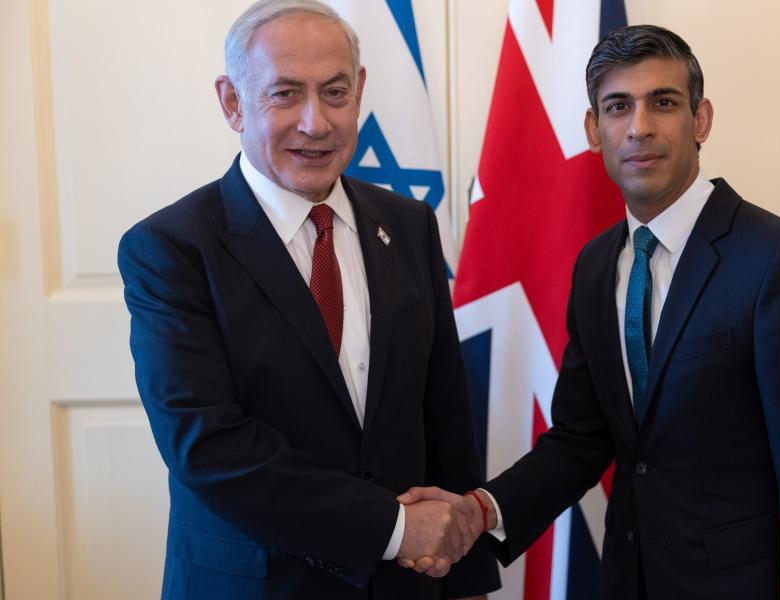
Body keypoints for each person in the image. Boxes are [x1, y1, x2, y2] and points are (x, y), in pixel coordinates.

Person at [399, 24, 780, 599]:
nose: (640, 127)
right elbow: (580, 439)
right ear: (594, 130)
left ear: (701, 120)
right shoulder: (596, 266)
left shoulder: (778, 260)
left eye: (663, 103)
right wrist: (479, 512)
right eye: (618, 106)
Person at [117, 1, 499, 598]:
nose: (315, 123)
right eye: (286, 94)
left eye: (335, 92)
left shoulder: (409, 224)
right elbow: (207, 445)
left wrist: (465, 574)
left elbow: (444, 413)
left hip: (409, 585)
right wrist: (395, 528)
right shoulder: (170, 248)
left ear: (361, 91)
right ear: (233, 102)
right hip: (256, 585)